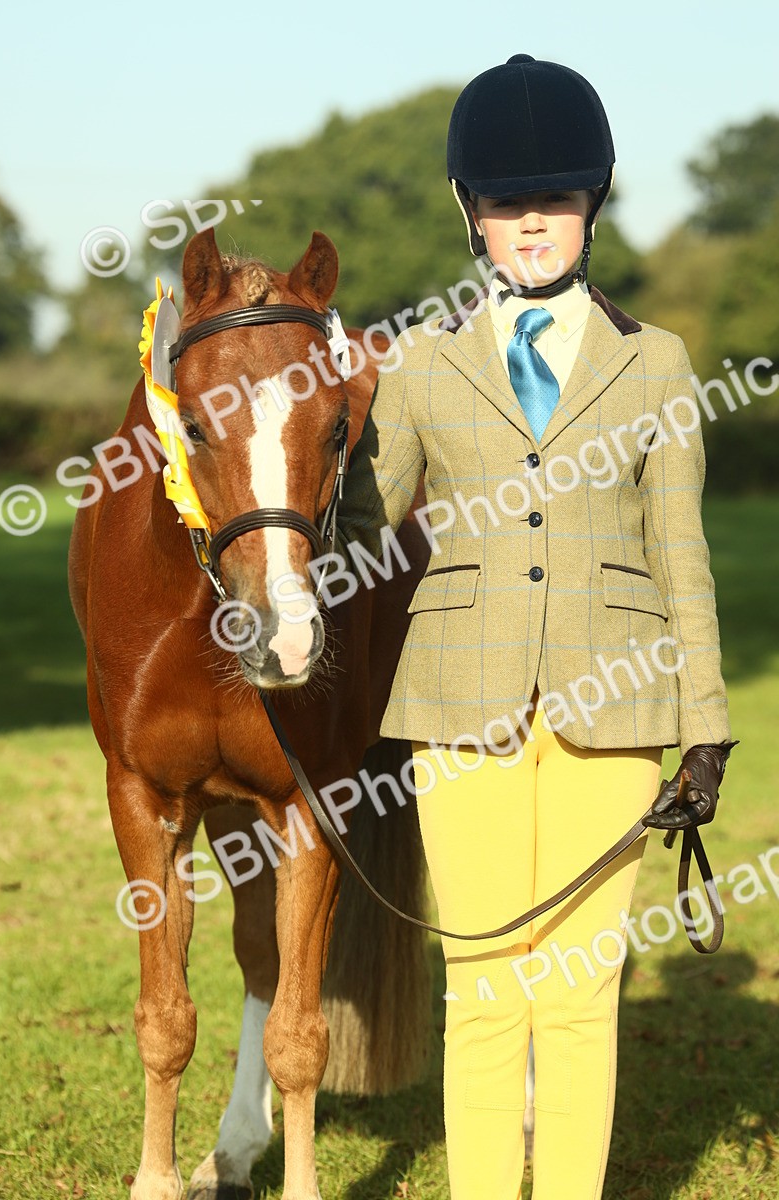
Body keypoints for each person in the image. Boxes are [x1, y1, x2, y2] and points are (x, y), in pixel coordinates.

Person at [333, 53, 737, 1200]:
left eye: (552, 202)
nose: (529, 225)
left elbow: (682, 557)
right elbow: (366, 527)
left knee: (572, 992)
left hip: (614, 713)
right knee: (482, 982)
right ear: (470, 210)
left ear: (591, 207)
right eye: (506, 203)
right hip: (457, 705)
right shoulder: (418, 366)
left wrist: (700, 726)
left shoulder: (654, 366)